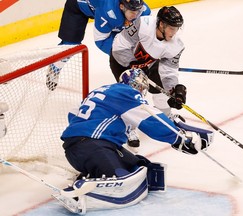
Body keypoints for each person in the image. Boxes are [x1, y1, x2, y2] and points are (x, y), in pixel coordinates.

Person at [57, 68, 213, 214]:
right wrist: (179, 139)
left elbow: (73, 116)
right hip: (92, 146)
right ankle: (76, 194)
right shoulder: (127, 92)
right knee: (119, 178)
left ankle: (91, 175)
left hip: (86, 147)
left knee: (140, 166)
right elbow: (149, 120)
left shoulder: (104, 91)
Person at [110, 6, 186, 148]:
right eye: (171, 28)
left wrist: (173, 90)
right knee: (132, 95)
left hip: (148, 64)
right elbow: (120, 46)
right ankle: (129, 129)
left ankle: (165, 118)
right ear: (161, 24)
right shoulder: (143, 25)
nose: (174, 33)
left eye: (176, 29)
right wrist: (134, 66)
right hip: (122, 61)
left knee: (162, 92)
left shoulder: (176, 45)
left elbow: (168, 71)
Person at [46, 0, 151, 91]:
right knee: (70, 46)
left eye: (138, 11)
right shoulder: (108, 11)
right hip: (80, 7)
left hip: (101, 8)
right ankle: (55, 68)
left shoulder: (143, 11)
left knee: (127, 42)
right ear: (121, 6)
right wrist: (124, 56)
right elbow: (101, 40)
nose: (136, 14)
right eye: (132, 11)